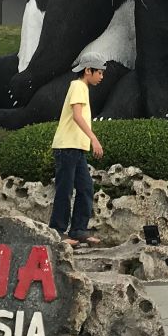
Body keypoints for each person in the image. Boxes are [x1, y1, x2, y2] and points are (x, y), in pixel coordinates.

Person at [50, 55, 106, 246]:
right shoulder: (78, 86)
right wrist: (94, 138)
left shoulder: (83, 88)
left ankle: (78, 230)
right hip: (67, 147)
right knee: (65, 190)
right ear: (88, 70)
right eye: (99, 72)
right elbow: (77, 116)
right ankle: (57, 231)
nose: (102, 76)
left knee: (86, 188)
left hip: (76, 149)